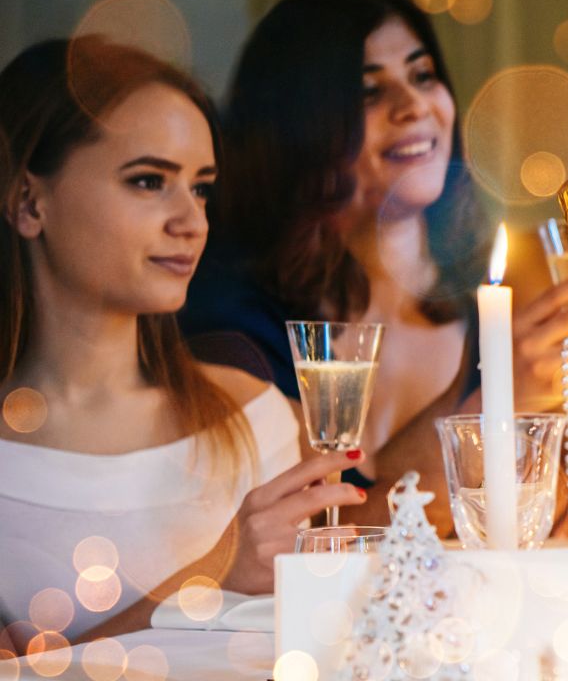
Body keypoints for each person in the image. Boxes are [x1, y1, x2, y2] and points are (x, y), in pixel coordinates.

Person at [180, 0, 568, 530]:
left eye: (423, 76)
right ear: (295, 125)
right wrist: (490, 400)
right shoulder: (235, 328)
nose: (414, 106)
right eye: (369, 92)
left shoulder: (499, 303)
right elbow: (322, 537)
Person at [0, 38, 359, 648]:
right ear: (29, 202)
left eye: (201, 189)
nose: (191, 222)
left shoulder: (257, 417)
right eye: (148, 181)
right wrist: (213, 576)